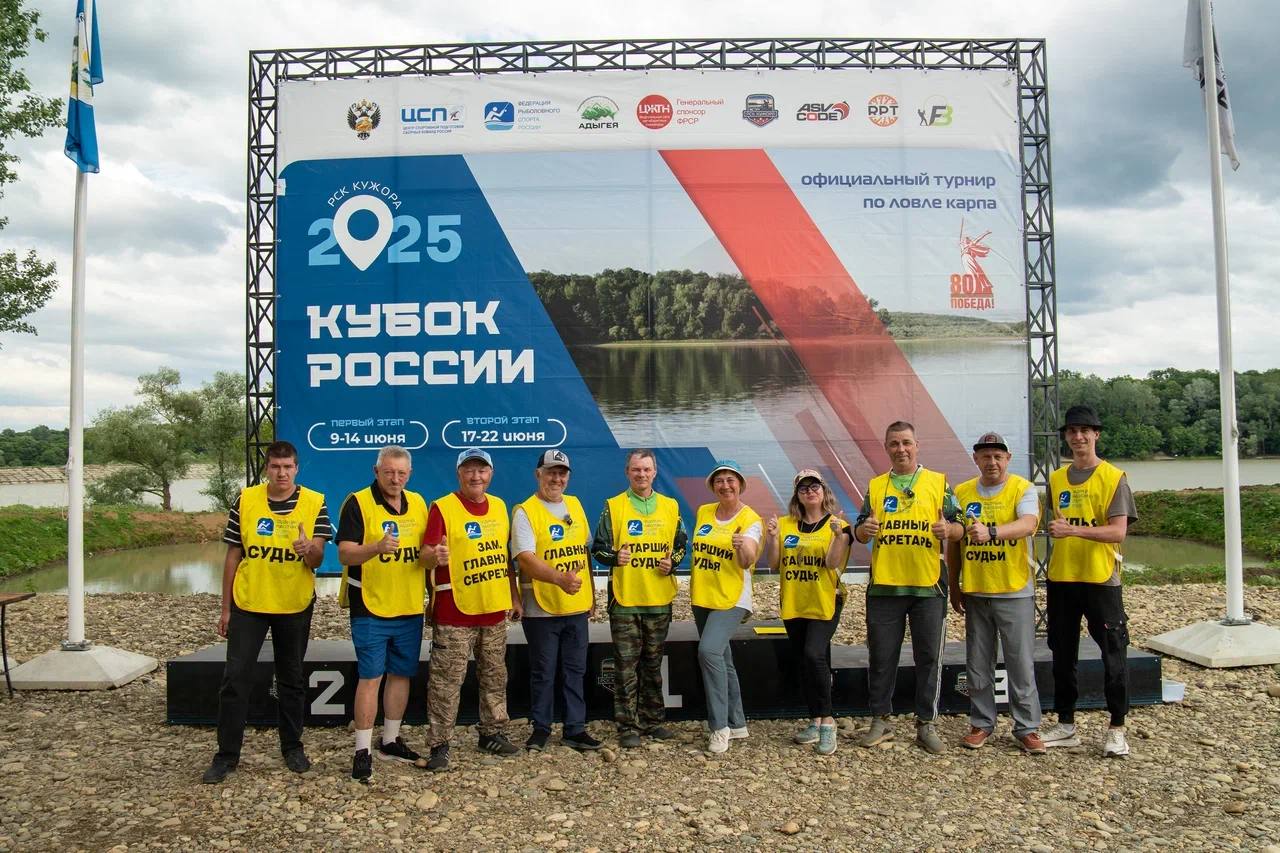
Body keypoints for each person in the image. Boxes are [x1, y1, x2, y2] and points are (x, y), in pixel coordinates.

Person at [202, 440, 330, 784]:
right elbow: (233, 555)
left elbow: (318, 558)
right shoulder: (246, 499)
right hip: (249, 603)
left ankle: (292, 747)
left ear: (297, 469)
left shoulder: (315, 502)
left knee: (292, 678)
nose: (282, 473)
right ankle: (226, 756)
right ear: (267, 469)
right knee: (235, 678)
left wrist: (308, 549)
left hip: (293, 603)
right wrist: (225, 608)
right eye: (275, 466)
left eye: (288, 467)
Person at [849, 421, 964, 754]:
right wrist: (864, 530)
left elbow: (960, 526)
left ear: (917, 445)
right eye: (894, 444)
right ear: (886, 448)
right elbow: (859, 530)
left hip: (928, 585)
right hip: (885, 586)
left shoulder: (938, 482)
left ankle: (926, 723)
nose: (901, 449)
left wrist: (948, 530)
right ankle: (880, 719)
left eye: (906, 443)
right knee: (882, 656)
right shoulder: (876, 486)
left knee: (929, 657)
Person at [1042, 405, 1137, 758]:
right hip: (1063, 577)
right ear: (1066, 437)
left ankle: (1117, 728)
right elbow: (1055, 525)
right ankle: (1066, 724)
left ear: (1096, 434)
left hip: (1101, 579)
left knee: (1113, 652)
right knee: (1062, 652)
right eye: (1072, 431)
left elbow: (1117, 532)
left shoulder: (1113, 477)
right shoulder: (1056, 479)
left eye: (1085, 430)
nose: (1078, 437)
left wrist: (1074, 531)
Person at [420, 448, 521, 772]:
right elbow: (424, 555)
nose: (476, 476)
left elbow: (503, 557)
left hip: (492, 609)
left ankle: (492, 733)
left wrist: (514, 596)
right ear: (459, 473)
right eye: (469, 470)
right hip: (455, 612)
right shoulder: (443, 507)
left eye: (482, 470)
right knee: (446, 683)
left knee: (495, 676)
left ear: (490, 473)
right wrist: (435, 556)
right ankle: (439, 744)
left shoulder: (500, 507)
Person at [946, 433, 1045, 754]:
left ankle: (1027, 727)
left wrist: (991, 532)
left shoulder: (1023, 489)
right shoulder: (961, 493)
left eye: (998, 456)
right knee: (977, 663)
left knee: (1020, 663)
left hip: (1014, 589)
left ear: (1008, 459)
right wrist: (954, 585)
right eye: (985, 456)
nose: (992, 462)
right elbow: (954, 543)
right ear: (976, 459)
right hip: (977, 590)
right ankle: (981, 723)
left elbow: (1028, 524)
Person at [336, 445, 430, 783]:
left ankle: (390, 740)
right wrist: (376, 547)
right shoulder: (358, 503)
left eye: (401, 473)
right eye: (389, 472)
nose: (395, 478)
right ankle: (362, 750)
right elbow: (345, 554)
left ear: (410, 474)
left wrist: (436, 564)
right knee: (371, 677)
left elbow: (424, 555)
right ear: (377, 471)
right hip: (371, 605)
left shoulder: (418, 503)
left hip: (409, 605)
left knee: (401, 674)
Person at [590, 448, 688, 749]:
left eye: (646, 469)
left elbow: (681, 544)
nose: (641, 474)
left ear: (655, 472)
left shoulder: (670, 506)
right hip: (625, 600)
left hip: (659, 599)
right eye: (636, 469)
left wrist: (672, 563)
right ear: (627, 472)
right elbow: (598, 548)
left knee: (652, 664)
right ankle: (627, 726)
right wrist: (614, 557)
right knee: (625, 666)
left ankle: (653, 721)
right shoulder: (614, 505)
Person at [512, 449, 602, 752]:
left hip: (576, 605)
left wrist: (591, 594)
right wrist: (558, 579)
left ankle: (575, 728)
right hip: (541, 607)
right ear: (538, 474)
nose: (557, 478)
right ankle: (541, 728)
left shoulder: (575, 504)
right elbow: (525, 559)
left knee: (575, 670)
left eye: (562, 473)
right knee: (543, 671)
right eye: (551, 472)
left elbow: (584, 553)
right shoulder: (525, 511)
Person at [761, 469, 848, 756]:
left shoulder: (838, 524)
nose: (810, 491)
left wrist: (838, 537)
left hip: (825, 601)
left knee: (814, 654)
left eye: (815, 486)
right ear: (797, 494)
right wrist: (773, 538)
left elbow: (832, 563)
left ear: (824, 491)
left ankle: (828, 722)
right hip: (795, 601)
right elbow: (774, 564)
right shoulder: (785, 524)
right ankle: (815, 719)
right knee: (803, 660)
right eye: (803, 488)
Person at [689, 460, 762, 754]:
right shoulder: (704, 512)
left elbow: (748, 559)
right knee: (722, 658)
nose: (725, 485)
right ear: (712, 486)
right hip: (703, 596)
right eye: (719, 481)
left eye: (731, 480)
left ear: (740, 485)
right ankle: (737, 722)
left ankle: (719, 728)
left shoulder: (751, 519)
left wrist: (742, 546)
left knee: (708, 651)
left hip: (732, 598)